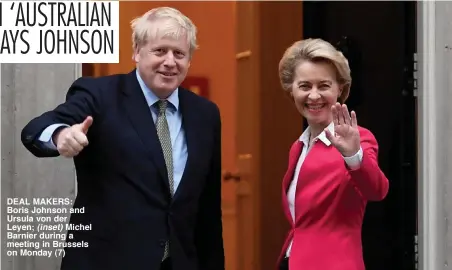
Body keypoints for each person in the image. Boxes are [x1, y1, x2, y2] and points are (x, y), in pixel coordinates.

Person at [20, 7, 224, 270]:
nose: (170, 62)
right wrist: (61, 134)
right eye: (160, 51)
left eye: (179, 53)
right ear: (137, 52)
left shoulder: (205, 114)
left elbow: (208, 210)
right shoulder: (100, 94)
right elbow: (36, 128)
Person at [276, 38, 389, 270]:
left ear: (340, 89)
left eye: (324, 86)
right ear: (292, 90)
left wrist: (353, 155)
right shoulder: (298, 147)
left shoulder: (358, 138)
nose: (314, 96)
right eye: (305, 86)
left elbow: (377, 190)